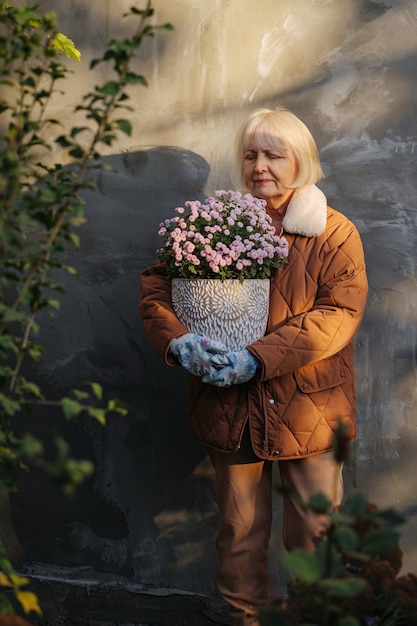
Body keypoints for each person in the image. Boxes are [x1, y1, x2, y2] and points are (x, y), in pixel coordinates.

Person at [139, 107, 368, 626]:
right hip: (230, 407)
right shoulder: (213, 224)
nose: (260, 165)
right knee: (240, 536)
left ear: (300, 160)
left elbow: (339, 314)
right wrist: (181, 344)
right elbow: (157, 288)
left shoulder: (332, 233)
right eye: (250, 154)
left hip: (307, 412)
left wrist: (256, 359)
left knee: (316, 537)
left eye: (273, 154)